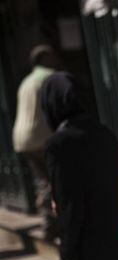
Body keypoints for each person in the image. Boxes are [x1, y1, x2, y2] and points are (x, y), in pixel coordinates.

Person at [40, 72, 118, 260]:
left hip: (92, 248)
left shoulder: (58, 145)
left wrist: (67, 258)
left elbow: (69, 206)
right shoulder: (104, 133)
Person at [12, 44, 60, 239]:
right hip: (42, 136)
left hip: (22, 138)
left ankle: (48, 221)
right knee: (53, 181)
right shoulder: (49, 75)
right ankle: (51, 222)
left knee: (42, 181)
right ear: (45, 59)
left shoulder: (26, 81)